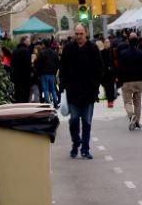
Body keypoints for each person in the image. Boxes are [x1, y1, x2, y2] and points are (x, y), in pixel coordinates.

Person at [59, 24, 103, 159]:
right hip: (73, 92)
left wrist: (95, 85)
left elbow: (100, 69)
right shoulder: (68, 49)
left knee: (86, 122)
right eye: (76, 34)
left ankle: (85, 148)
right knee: (73, 120)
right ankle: (75, 143)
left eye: (81, 34)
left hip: (89, 93)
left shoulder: (93, 49)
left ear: (85, 34)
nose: (78, 36)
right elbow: (63, 68)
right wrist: (63, 85)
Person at [118, 33, 142, 130]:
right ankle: (137, 122)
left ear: (128, 41)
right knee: (137, 103)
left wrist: (120, 80)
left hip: (127, 81)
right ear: (137, 42)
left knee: (127, 102)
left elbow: (120, 68)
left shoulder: (123, 54)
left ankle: (131, 116)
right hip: (139, 81)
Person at [36, 39, 60, 107]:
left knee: (45, 89)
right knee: (53, 89)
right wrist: (55, 71)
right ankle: (55, 102)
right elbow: (57, 63)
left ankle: (48, 103)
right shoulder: (54, 52)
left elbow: (39, 64)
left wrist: (39, 73)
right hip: (52, 74)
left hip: (44, 74)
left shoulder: (41, 53)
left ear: (44, 44)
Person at [11, 36, 32, 103]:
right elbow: (28, 64)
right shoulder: (26, 51)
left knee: (18, 93)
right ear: (24, 41)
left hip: (16, 76)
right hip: (25, 76)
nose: (29, 42)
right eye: (28, 41)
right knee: (25, 95)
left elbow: (12, 63)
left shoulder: (15, 51)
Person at [100, 39, 117, 108]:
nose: (107, 44)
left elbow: (115, 62)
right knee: (107, 87)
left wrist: (116, 73)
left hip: (112, 72)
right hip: (105, 73)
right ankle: (109, 100)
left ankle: (111, 101)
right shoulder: (101, 52)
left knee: (112, 87)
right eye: (106, 42)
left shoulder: (112, 51)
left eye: (108, 42)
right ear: (104, 44)